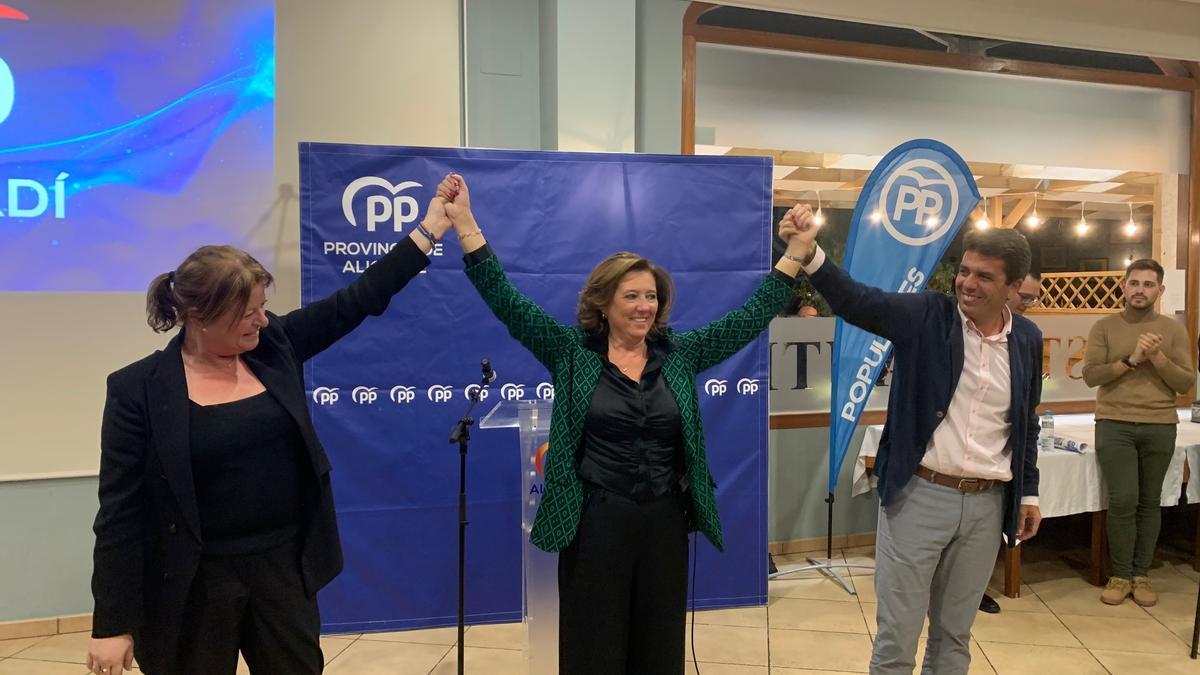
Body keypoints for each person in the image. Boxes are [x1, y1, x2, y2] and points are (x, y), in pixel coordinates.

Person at [436, 173, 804, 674]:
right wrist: (466, 223)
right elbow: (506, 300)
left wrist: (796, 253)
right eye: (631, 296)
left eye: (651, 296)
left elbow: (749, 317)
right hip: (595, 523)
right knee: (594, 648)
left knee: (658, 647)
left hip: (664, 522)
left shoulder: (679, 353)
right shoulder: (571, 352)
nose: (644, 307)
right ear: (603, 302)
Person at [86, 197, 453, 675]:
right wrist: (112, 624)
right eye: (248, 313)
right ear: (198, 315)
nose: (262, 320)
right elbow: (119, 512)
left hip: (281, 571)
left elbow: (358, 299)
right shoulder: (137, 390)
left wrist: (428, 230)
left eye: (264, 308)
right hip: (190, 583)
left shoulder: (274, 346)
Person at [785, 207, 1044, 675]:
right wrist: (810, 254)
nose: (967, 282)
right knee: (896, 641)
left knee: (954, 638)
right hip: (919, 497)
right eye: (964, 270)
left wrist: (1028, 491)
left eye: (984, 277)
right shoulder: (928, 315)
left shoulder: (1026, 338)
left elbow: (1025, 422)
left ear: (1013, 287)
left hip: (988, 504)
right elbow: (857, 301)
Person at [1082, 258, 1192, 607]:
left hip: (1160, 424)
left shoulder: (1174, 330)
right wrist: (1132, 358)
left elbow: (1186, 382)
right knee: (1122, 500)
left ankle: (1141, 574)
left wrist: (1156, 356)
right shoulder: (1104, 327)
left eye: (1148, 284)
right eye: (1134, 283)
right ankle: (1120, 574)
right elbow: (1091, 376)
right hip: (1114, 423)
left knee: (1149, 502)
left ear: (1160, 291)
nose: (1140, 290)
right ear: (1123, 287)